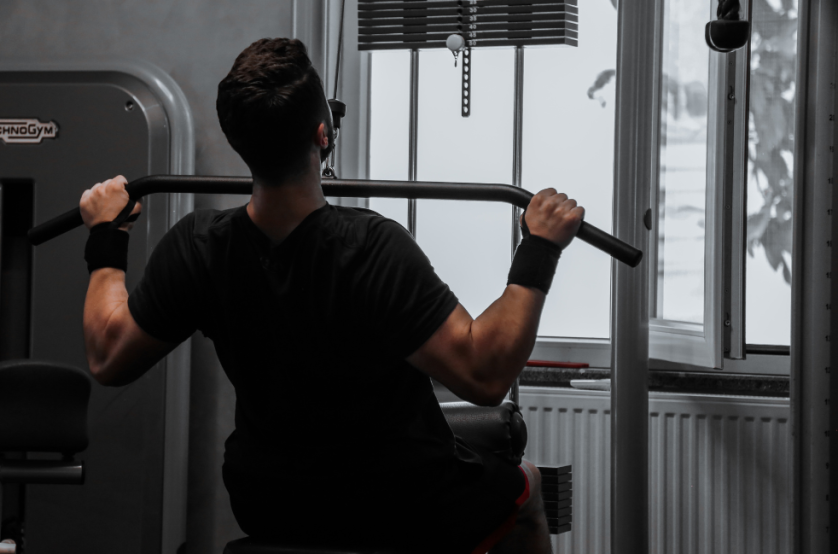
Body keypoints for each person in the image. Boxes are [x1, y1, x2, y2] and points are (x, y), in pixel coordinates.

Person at [78, 38, 583, 554]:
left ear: (238, 141)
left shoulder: (199, 246)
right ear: (325, 134)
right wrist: (539, 247)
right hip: (401, 500)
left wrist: (106, 235)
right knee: (526, 488)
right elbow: (485, 373)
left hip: (271, 500)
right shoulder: (370, 247)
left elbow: (109, 354)